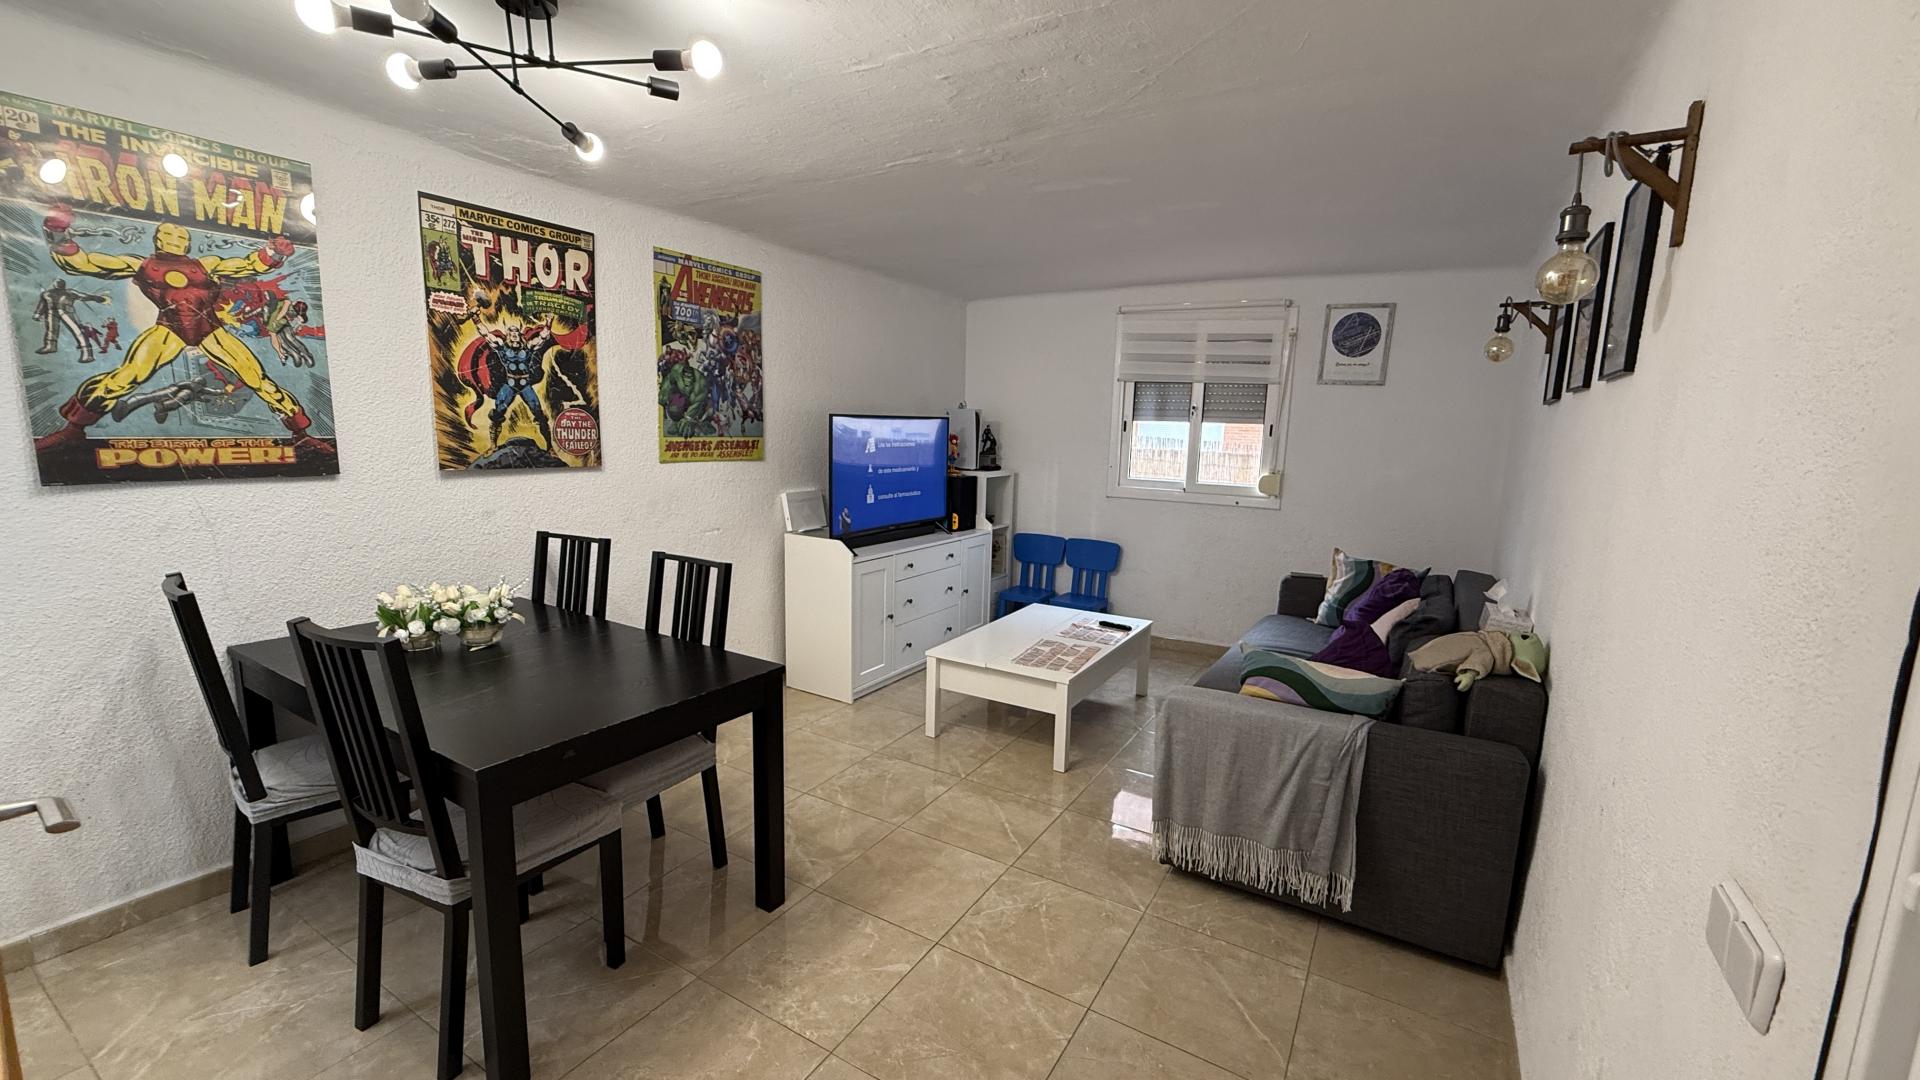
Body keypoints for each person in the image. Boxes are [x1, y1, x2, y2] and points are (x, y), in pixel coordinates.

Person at [29, 206, 333, 457]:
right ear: (157, 238)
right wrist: (58, 234)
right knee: (125, 377)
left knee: (257, 379)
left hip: (210, 330)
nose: (174, 237)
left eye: (180, 235)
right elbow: (84, 263)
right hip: (170, 330)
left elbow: (245, 265)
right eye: (168, 233)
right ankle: (73, 430)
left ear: (187, 243)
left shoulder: (206, 265)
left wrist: (273, 253)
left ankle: (301, 434)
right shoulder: (143, 265)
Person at [31, 278, 108, 362]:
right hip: (51, 312)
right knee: (51, 330)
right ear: (54, 284)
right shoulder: (47, 293)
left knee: (76, 331)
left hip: (66, 311)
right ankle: (50, 346)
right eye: (57, 283)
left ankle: (87, 353)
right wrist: (37, 314)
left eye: (60, 283)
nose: (58, 284)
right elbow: (42, 304)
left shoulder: (69, 292)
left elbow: (84, 296)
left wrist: (97, 298)